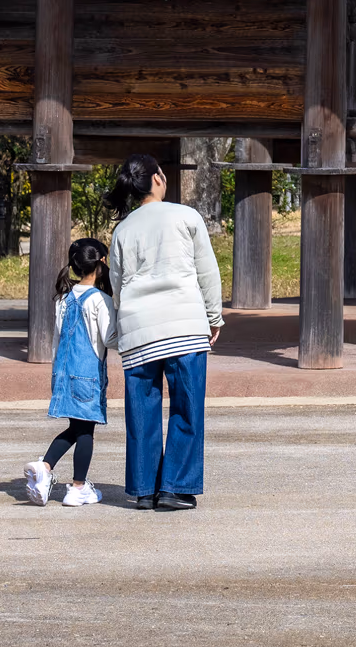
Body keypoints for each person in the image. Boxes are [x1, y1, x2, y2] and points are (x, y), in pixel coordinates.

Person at [106, 154, 223, 510]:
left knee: (142, 412)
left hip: (138, 330)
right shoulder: (185, 216)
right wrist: (214, 316)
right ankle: (176, 487)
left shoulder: (122, 230)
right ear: (157, 178)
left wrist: (121, 328)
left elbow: (117, 286)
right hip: (183, 323)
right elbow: (207, 271)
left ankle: (144, 490)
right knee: (187, 406)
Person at [24, 238, 113, 507]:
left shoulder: (63, 299)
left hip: (63, 371)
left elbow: (57, 339)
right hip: (88, 375)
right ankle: (78, 487)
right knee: (86, 430)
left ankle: (45, 466)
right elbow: (110, 338)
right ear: (101, 263)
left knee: (77, 427)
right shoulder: (100, 300)